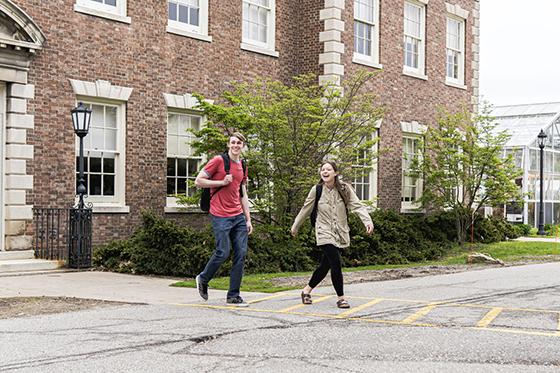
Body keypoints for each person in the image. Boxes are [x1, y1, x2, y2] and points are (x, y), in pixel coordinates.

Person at [291, 160, 373, 309]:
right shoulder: (316, 190)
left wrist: (367, 221)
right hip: (323, 231)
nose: (325, 172)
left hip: (340, 232)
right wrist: (295, 226)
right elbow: (306, 209)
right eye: (323, 169)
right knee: (336, 262)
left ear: (335, 173)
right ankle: (341, 298)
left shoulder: (344, 189)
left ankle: (306, 291)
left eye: (328, 169)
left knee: (325, 265)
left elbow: (357, 205)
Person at [194, 132, 253, 307]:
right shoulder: (218, 161)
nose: (235, 145)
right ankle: (203, 279)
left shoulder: (243, 164)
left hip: (238, 216)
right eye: (233, 142)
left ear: (243, 146)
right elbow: (199, 181)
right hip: (220, 215)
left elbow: (242, 193)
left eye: (239, 143)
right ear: (229, 145)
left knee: (241, 254)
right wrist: (221, 182)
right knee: (223, 251)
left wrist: (248, 219)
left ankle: (233, 296)